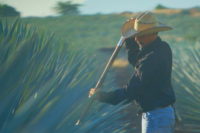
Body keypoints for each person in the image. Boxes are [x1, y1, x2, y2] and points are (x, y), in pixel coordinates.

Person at [89, 11, 176, 133]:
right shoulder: (162, 48)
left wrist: (102, 96)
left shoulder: (151, 58)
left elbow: (131, 92)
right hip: (162, 114)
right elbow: (138, 61)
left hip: (156, 117)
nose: (137, 38)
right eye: (135, 35)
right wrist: (129, 40)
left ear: (152, 33)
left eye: (140, 35)